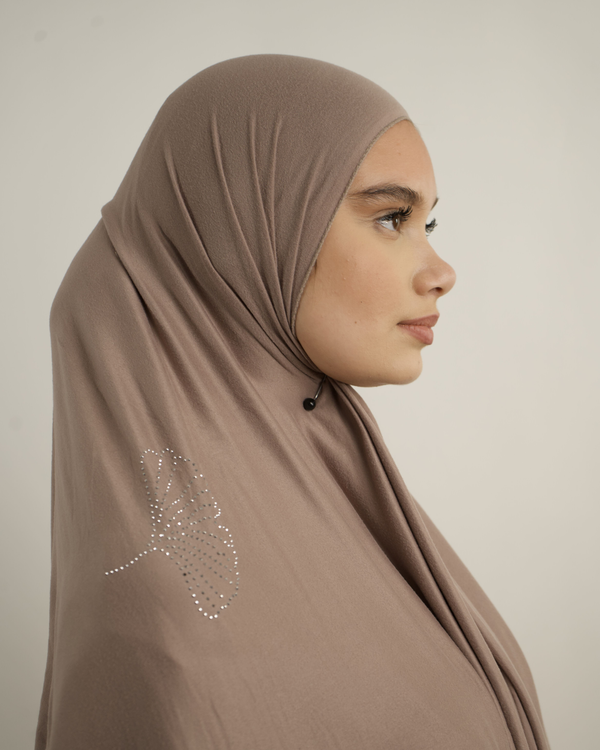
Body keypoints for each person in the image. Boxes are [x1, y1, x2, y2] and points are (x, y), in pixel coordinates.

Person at [36, 54, 550, 749]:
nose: (441, 272)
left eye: (427, 225)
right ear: (244, 228)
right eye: (391, 217)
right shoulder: (175, 638)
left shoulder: (332, 475)